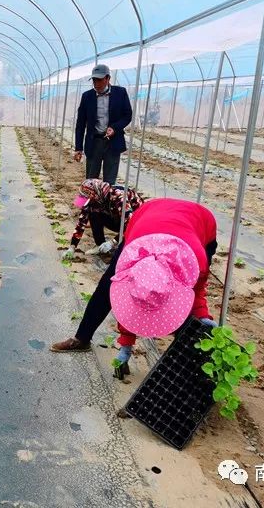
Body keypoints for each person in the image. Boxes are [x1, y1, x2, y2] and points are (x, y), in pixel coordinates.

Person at [51, 198, 218, 375]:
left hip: (199, 220)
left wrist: (202, 316)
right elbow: (127, 300)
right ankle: (82, 338)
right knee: (107, 285)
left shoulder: (195, 262)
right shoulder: (129, 255)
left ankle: (184, 353)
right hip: (145, 219)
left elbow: (197, 291)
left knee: (188, 307)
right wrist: (126, 345)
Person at [73, 64, 133, 184]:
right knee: (91, 180)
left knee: (110, 181)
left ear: (108, 78)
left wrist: (114, 128)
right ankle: (91, 202)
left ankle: (107, 202)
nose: (96, 83)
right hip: (94, 142)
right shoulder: (87, 96)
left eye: (99, 80)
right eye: (94, 80)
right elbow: (80, 124)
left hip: (113, 142)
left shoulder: (120, 93)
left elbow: (127, 115)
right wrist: (78, 148)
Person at [61, 179, 145, 259]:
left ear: (96, 194)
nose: (87, 202)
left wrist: (113, 242)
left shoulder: (119, 197)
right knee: (93, 213)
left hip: (136, 224)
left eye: (88, 199)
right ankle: (100, 245)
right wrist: (72, 247)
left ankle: (116, 245)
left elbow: (130, 224)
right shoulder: (95, 198)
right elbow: (81, 222)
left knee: (123, 242)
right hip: (115, 217)